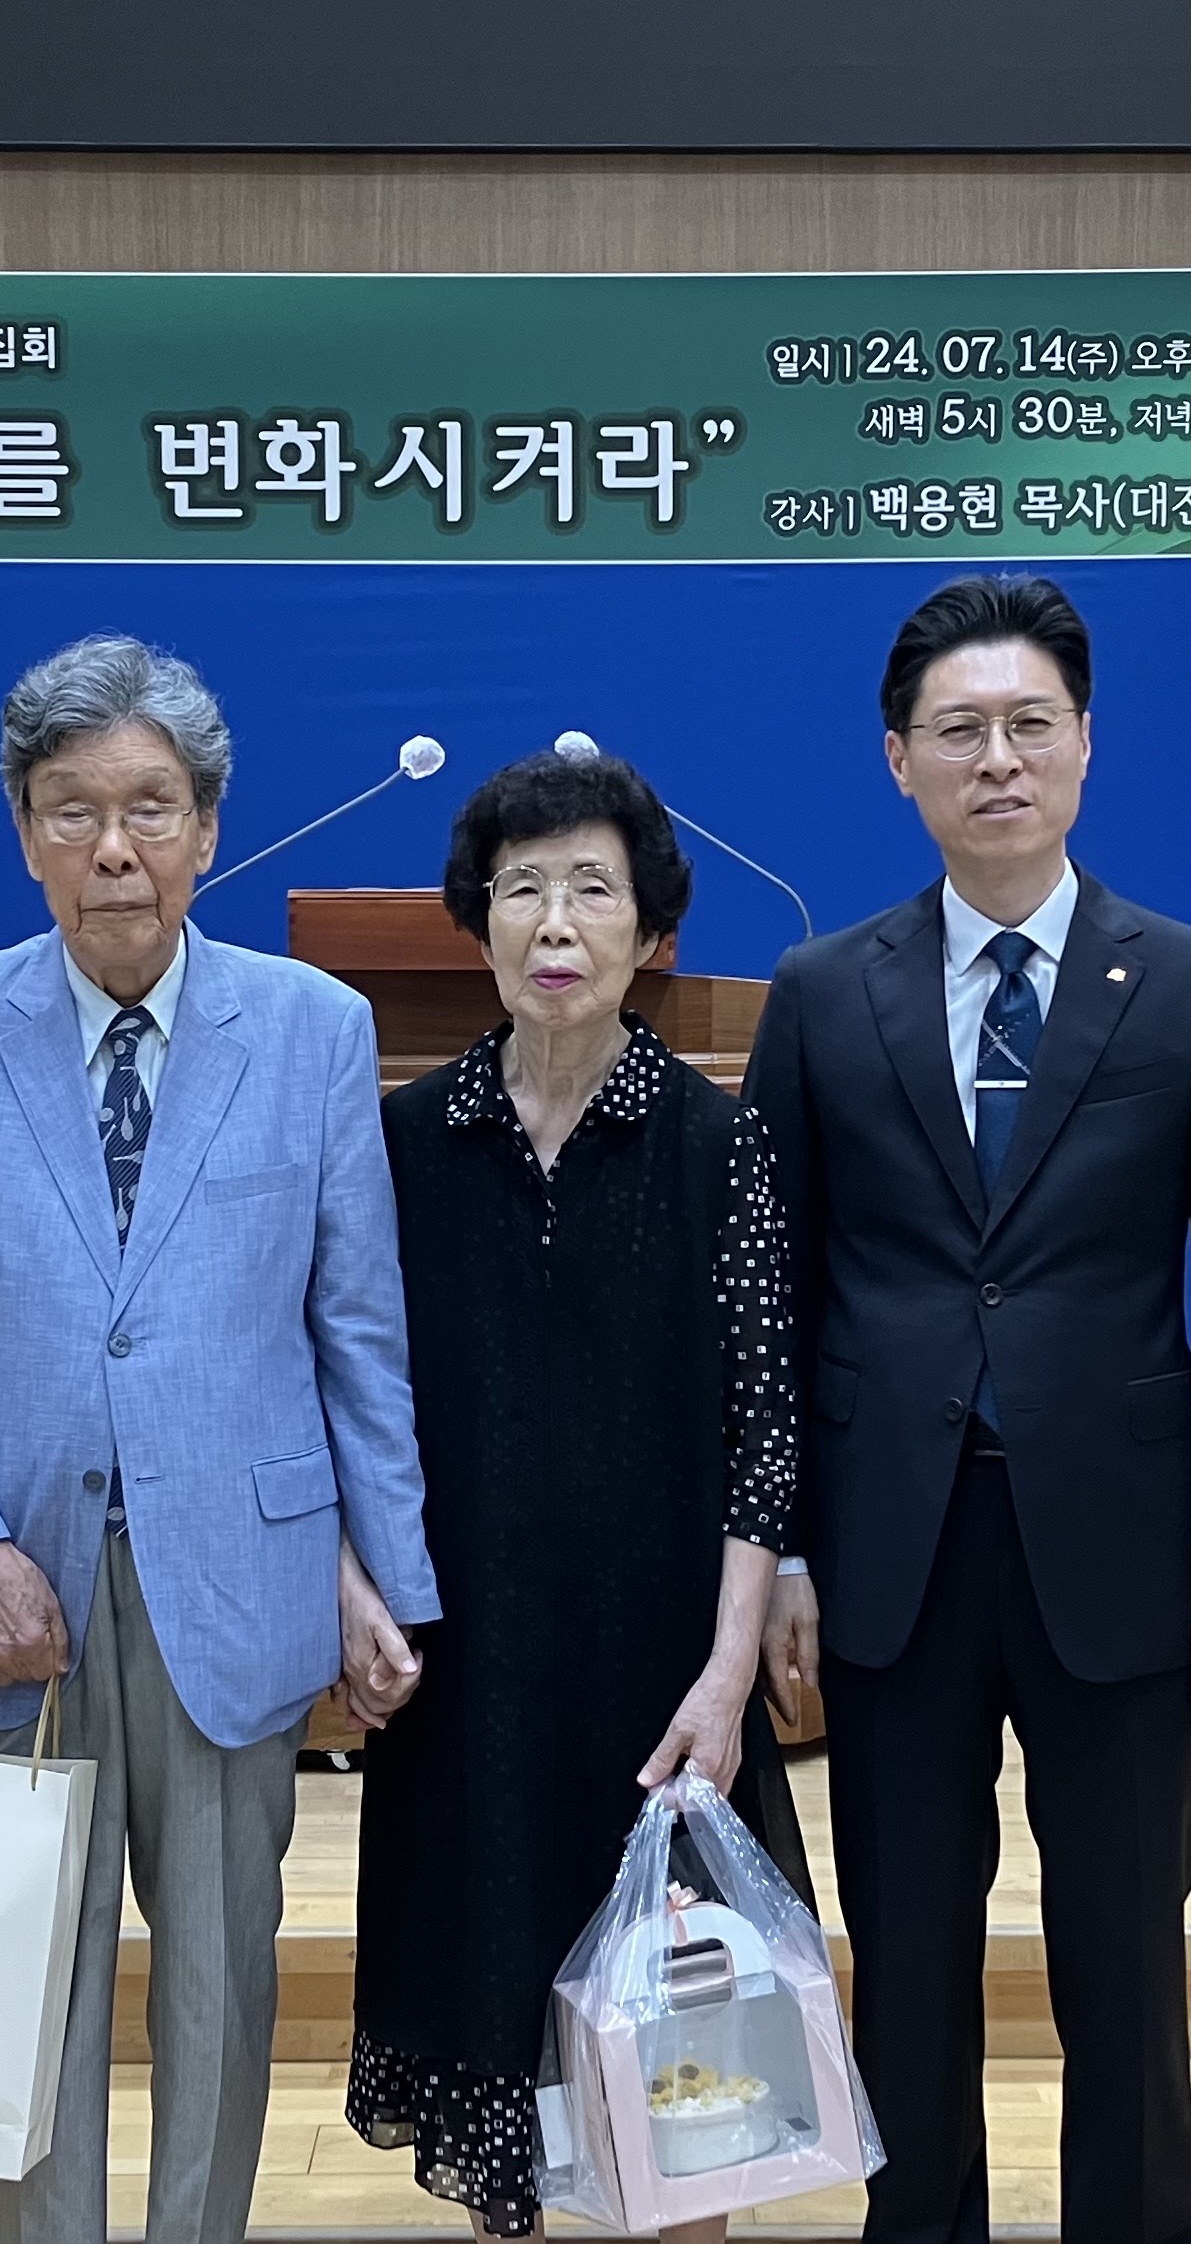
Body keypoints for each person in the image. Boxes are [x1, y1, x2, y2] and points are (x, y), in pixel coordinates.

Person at [0, 635, 441, 2244]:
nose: (115, 848)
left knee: (222, 1987)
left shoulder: (311, 1029)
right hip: (19, 1585)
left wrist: (384, 1581)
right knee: (17, 1972)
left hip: (240, 1581)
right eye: (73, 809)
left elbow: (357, 1329)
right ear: (24, 831)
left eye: (150, 808)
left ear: (209, 828)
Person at [743, 573, 1191, 2244]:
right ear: (898, 760)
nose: (996, 759)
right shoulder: (821, 991)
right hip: (889, 1557)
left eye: (1027, 725)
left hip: (1122, 1558)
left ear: (1083, 745)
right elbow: (771, 1303)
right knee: (907, 1962)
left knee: (1125, 1964)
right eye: (959, 731)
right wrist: (780, 1551)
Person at [345, 750, 811, 2243]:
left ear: (649, 931)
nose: (556, 921)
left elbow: (766, 1433)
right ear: (478, 922)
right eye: (523, 888)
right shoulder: (406, 1144)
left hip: (660, 1669)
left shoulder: (718, 1145)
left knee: (686, 2051)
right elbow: (342, 1388)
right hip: (469, 1667)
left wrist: (729, 1678)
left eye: (593, 890)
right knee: (497, 2026)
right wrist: (356, 1588)